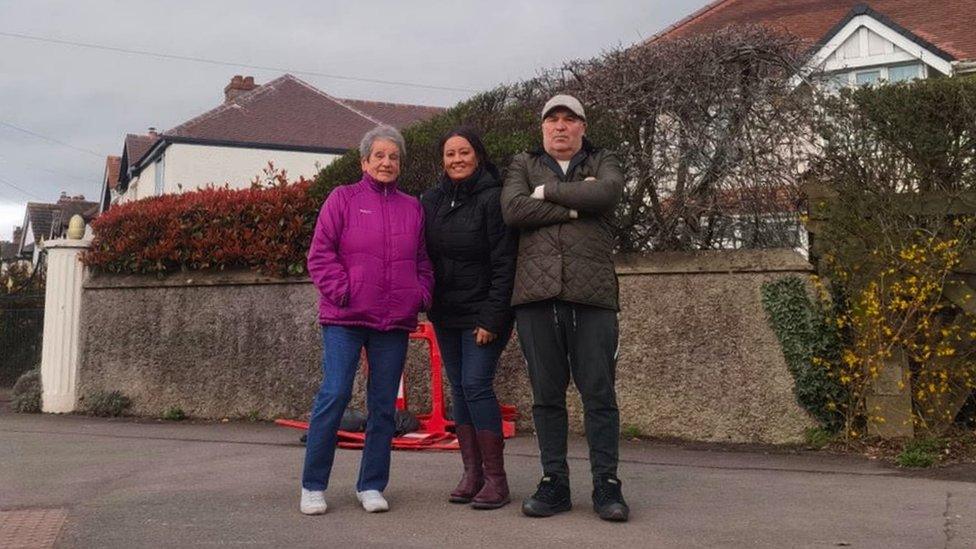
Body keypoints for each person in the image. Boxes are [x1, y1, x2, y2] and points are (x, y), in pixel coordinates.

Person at [500, 94, 629, 521]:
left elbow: (608, 194)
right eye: (552, 120)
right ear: (542, 128)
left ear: (582, 127)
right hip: (536, 298)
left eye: (568, 119)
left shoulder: (603, 159)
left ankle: (606, 485)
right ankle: (554, 481)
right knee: (546, 396)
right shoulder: (523, 163)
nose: (560, 126)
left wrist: (548, 193)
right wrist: (576, 206)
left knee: (599, 393)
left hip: (593, 297)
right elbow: (514, 210)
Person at [300, 125, 434, 515]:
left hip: (393, 322)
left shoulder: (413, 207)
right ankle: (313, 485)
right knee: (335, 394)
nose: (386, 163)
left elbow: (423, 262)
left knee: (382, 407)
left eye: (393, 157)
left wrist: (419, 295)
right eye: (379, 156)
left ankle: (371, 485)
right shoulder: (342, 199)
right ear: (364, 161)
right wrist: (344, 293)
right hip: (345, 319)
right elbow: (320, 255)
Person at [420, 127, 517, 509]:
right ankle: (471, 473)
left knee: (476, 385)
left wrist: (493, 317)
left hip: (484, 314)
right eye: (450, 154)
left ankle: (497, 479)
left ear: (478, 155)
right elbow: (422, 256)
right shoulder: (431, 200)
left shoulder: (494, 199)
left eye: (464, 152)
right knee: (459, 388)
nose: (457, 159)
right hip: (446, 314)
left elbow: (506, 263)